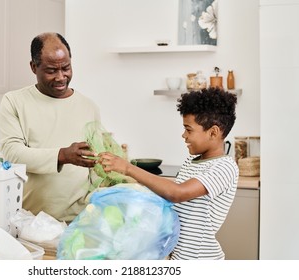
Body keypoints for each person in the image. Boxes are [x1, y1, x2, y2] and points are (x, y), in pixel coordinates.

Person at [98, 87, 239, 260]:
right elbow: (170, 197)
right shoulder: (192, 161)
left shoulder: (224, 166)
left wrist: (128, 168)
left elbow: (177, 193)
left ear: (213, 132)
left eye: (189, 129)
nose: (184, 135)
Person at [0, 32, 100, 222]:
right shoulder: (14, 101)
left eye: (66, 68)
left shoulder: (88, 106)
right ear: (33, 67)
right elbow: (12, 153)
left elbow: (95, 166)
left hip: (80, 221)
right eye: (51, 70)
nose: (61, 77)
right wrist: (62, 155)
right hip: (32, 221)